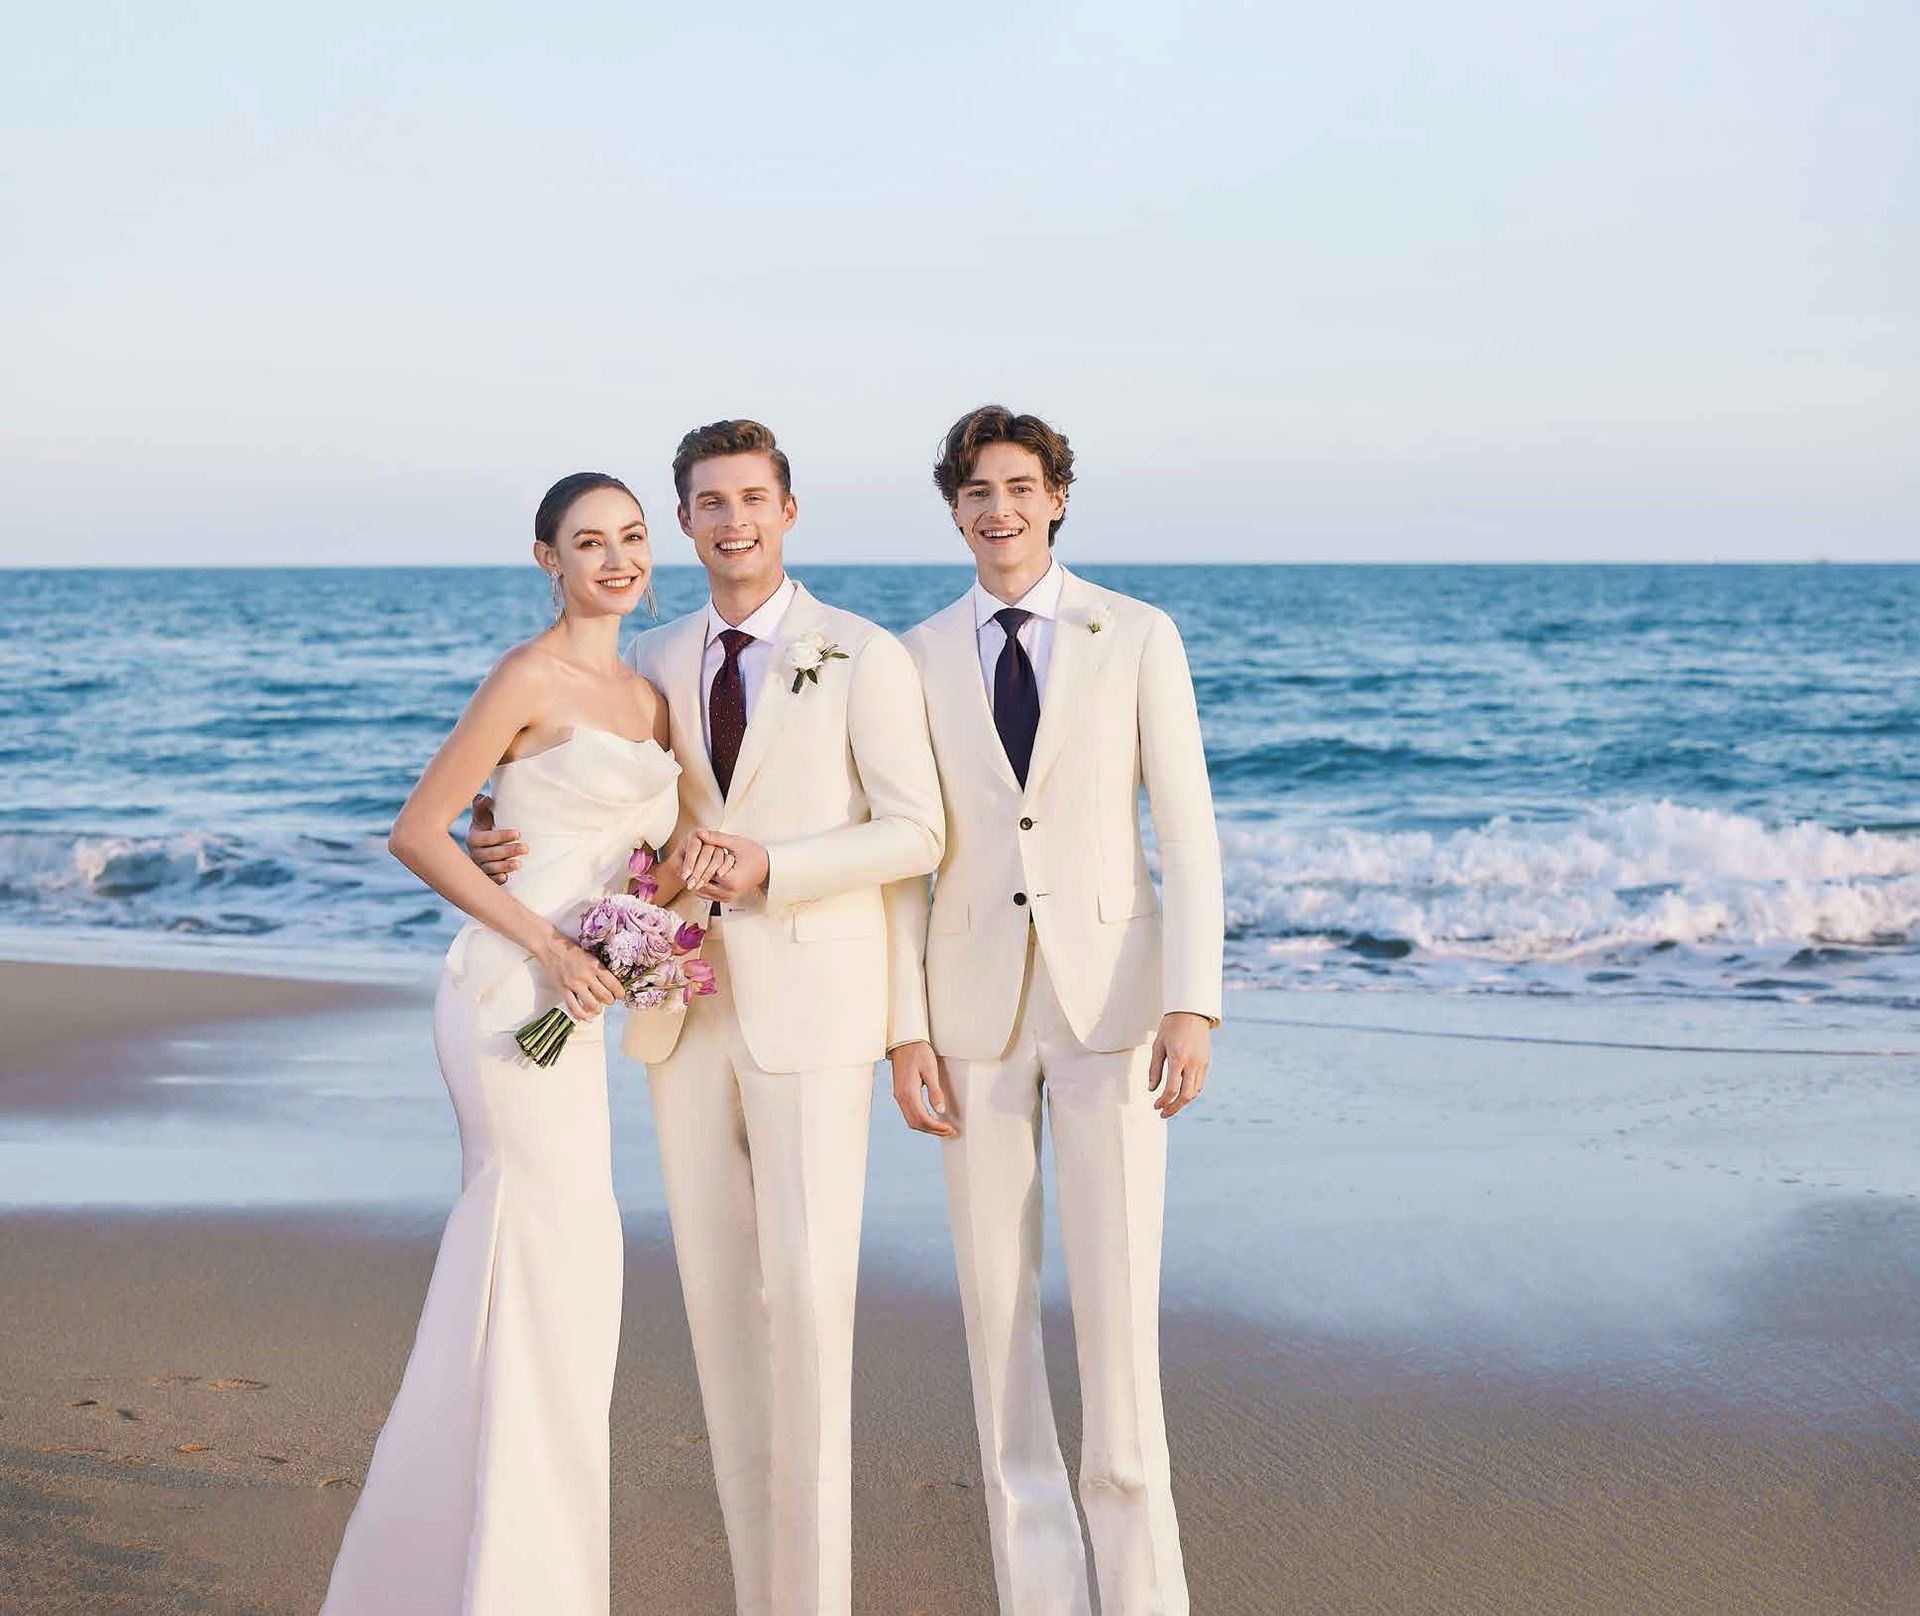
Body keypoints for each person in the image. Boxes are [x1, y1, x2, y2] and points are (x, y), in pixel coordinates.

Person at [469, 420, 944, 1616]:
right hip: (677, 1008)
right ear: (685, 522)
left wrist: (775, 864)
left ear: (788, 510)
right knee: (719, 1313)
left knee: (811, 1305)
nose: (733, 521)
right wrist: (493, 822)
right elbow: (582, 787)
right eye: (711, 503)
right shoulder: (652, 655)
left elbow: (916, 832)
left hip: (816, 1009)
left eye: (753, 498)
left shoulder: (864, 652)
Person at [321, 473, 683, 1615]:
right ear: (547, 559)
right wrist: (550, 943)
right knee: (549, 1255)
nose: (617, 558)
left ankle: (476, 1572)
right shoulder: (528, 675)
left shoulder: (650, 695)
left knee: (553, 1271)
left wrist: (644, 932)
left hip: (577, 1006)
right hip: (506, 997)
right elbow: (419, 830)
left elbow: (640, 860)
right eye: (590, 541)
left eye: (632, 537)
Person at [885, 406, 1223, 1616]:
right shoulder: (913, 655)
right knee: (997, 1317)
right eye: (978, 489)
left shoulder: (1136, 633)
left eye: (1021, 485)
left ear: (1059, 496)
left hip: (1113, 1007)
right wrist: (903, 1025)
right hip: (969, 1015)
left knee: (1120, 1314)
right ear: (954, 507)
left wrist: (1193, 1001)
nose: (1001, 508)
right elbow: (904, 859)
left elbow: (1186, 826)